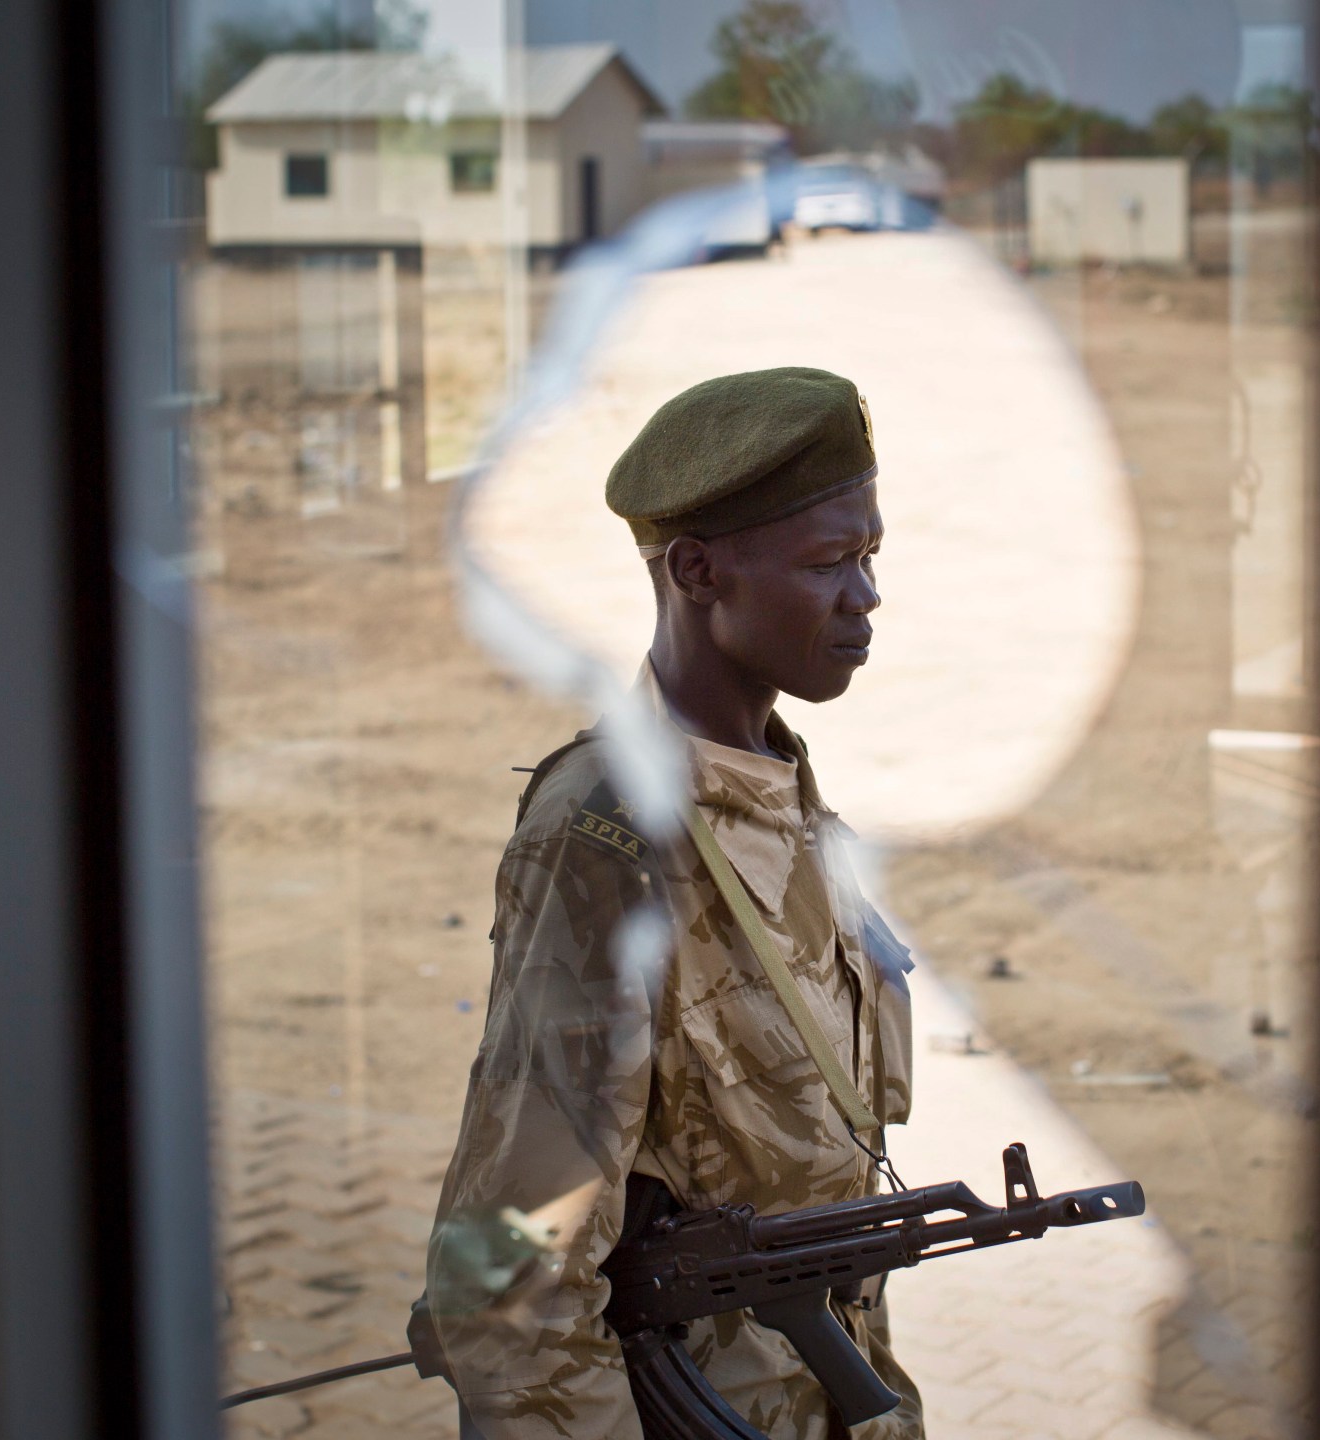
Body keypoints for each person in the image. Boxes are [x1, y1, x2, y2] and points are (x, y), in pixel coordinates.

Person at [427, 367, 923, 1440]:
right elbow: (509, 1278)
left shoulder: (772, 783)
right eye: (828, 563)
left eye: (871, 555)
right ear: (698, 570)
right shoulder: (608, 839)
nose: (866, 595)